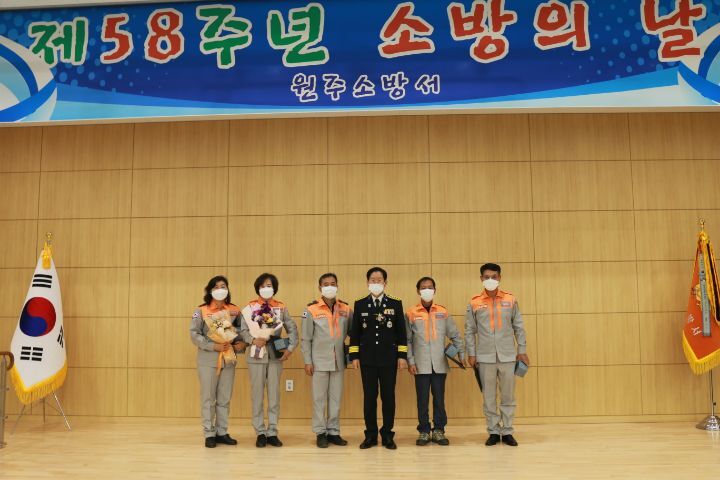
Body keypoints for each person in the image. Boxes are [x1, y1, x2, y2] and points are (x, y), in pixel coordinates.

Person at [465, 263, 529, 447]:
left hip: (508, 355)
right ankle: (493, 431)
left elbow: (519, 327)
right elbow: (469, 331)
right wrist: (471, 354)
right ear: (481, 279)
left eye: (494, 276)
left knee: (508, 396)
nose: (490, 280)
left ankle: (507, 431)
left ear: (500, 277)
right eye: (486, 277)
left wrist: (522, 350)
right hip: (484, 357)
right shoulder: (474, 302)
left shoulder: (510, 299)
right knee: (489, 397)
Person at [349, 266, 407, 450]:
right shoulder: (360, 304)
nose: (376, 283)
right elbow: (355, 333)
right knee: (369, 398)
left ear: (385, 283)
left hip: (389, 359)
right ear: (367, 283)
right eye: (372, 280)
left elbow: (402, 333)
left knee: (388, 398)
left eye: (379, 280)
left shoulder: (395, 303)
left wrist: (402, 356)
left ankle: (388, 434)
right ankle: (371, 435)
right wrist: (354, 356)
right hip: (367, 360)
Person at [239, 273, 298, 448]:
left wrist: (290, 348)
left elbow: (292, 329)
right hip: (255, 355)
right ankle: (260, 432)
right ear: (257, 288)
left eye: (269, 285)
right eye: (263, 285)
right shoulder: (249, 307)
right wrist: (252, 340)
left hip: (275, 354)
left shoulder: (281, 307)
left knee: (274, 395)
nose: (266, 288)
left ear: (275, 288)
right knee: (257, 395)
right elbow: (243, 331)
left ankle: (272, 431)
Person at [405, 276, 463, 446]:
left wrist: (461, 353)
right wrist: (410, 361)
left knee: (439, 399)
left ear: (435, 290)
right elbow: (407, 340)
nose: (427, 290)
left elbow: (455, 335)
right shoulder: (411, 313)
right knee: (422, 400)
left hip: (439, 364)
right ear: (418, 291)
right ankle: (424, 430)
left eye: (430, 287)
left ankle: (438, 430)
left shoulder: (443, 312)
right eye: (423, 287)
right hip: (420, 364)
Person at [190, 275, 246, 448]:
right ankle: (209, 433)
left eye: (223, 286)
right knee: (208, 398)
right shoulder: (201, 310)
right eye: (216, 287)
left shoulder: (235, 310)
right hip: (208, 360)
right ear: (209, 290)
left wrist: (241, 344)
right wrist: (212, 346)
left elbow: (242, 332)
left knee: (224, 398)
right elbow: (194, 334)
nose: (220, 289)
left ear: (228, 290)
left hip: (229, 359)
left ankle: (222, 432)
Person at [301, 273, 353, 448]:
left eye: (333, 284)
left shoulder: (346, 309)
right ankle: (320, 432)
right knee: (319, 399)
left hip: (338, 361)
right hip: (319, 361)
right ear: (320, 288)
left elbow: (354, 333)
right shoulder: (311, 310)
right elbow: (306, 338)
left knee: (336, 398)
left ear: (337, 286)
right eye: (326, 284)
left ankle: (333, 431)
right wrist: (308, 361)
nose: (329, 287)